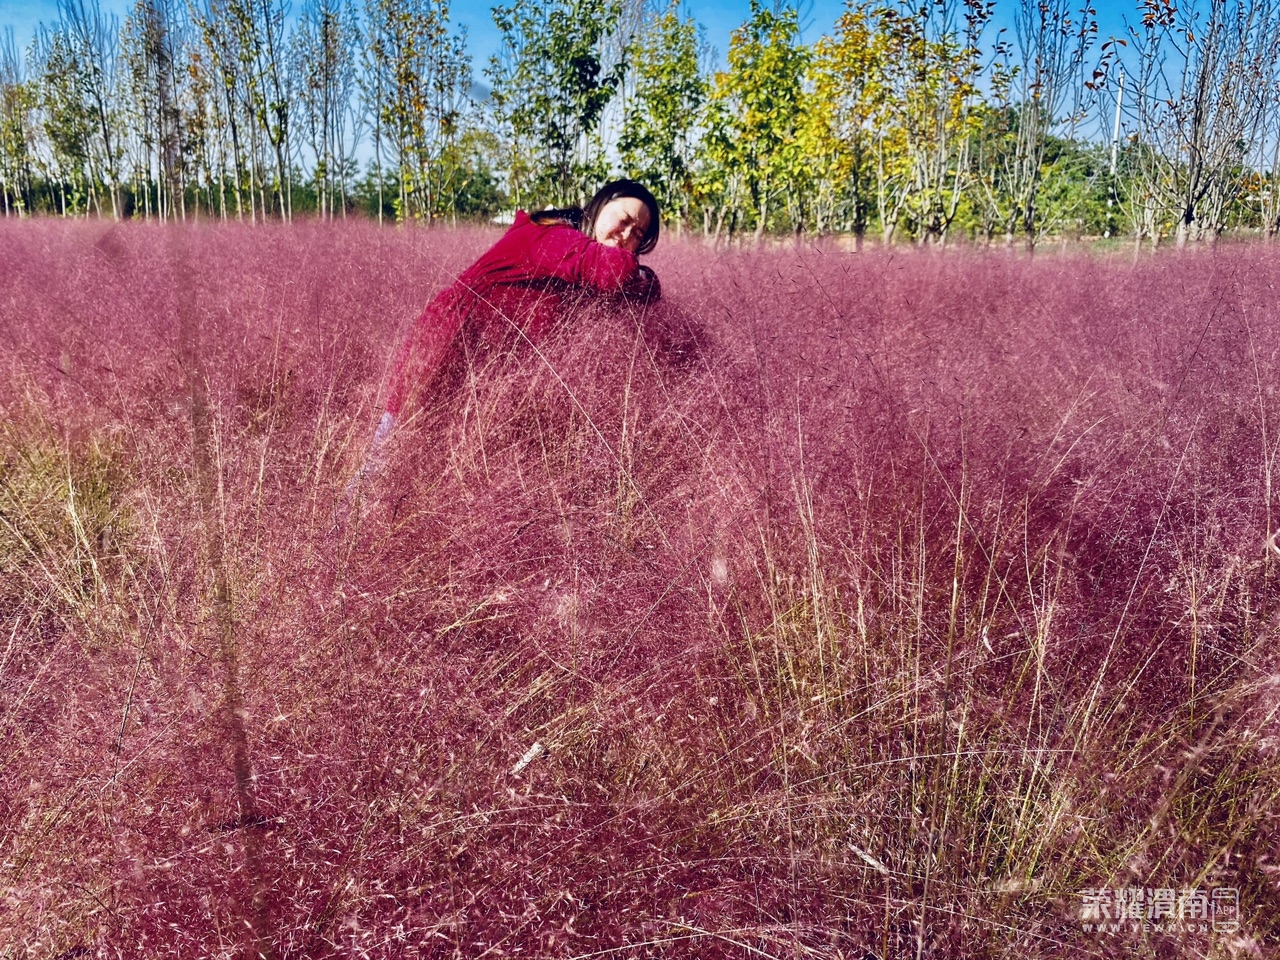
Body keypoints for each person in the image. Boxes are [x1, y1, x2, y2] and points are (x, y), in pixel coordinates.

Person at [343, 179, 663, 509]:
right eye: (624, 220)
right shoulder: (551, 235)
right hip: (445, 352)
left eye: (639, 234)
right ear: (599, 206)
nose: (627, 236)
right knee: (388, 458)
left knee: (429, 476)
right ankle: (341, 536)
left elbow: (628, 288)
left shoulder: (576, 253)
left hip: (480, 378)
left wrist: (646, 285)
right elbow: (611, 272)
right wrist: (641, 278)